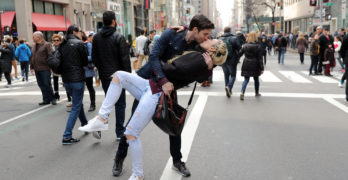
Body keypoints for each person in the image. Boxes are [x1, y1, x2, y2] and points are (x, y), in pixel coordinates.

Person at [80, 14, 215, 179]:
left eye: (208, 36)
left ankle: (177, 161)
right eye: (206, 34)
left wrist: (208, 68)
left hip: (169, 89)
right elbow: (153, 57)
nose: (207, 38)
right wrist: (163, 79)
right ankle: (119, 158)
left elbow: (198, 78)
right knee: (132, 124)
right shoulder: (171, 34)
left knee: (174, 126)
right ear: (195, 29)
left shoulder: (199, 47)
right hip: (149, 81)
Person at [91, 11, 131, 140]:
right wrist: (129, 77)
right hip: (118, 76)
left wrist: (102, 71)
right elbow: (124, 59)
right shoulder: (119, 36)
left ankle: (99, 125)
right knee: (120, 104)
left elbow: (95, 58)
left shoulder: (96, 37)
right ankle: (119, 132)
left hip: (105, 75)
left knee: (108, 102)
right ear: (113, 21)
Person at [60, 25, 89, 144]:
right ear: (74, 32)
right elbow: (85, 61)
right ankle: (67, 135)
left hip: (66, 79)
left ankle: (85, 125)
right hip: (77, 78)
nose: (81, 33)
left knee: (77, 103)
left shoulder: (62, 43)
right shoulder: (79, 44)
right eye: (79, 31)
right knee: (76, 106)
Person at [30, 31, 56, 105]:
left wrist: (51, 67)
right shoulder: (34, 45)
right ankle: (46, 99)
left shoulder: (47, 45)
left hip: (45, 68)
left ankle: (53, 98)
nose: (33, 38)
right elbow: (32, 57)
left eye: (33, 37)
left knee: (47, 84)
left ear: (38, 37)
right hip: (37, 68)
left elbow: (51, 56)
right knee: (41, 84)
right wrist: (31, 67)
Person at [239, 32, 264, 100]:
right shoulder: (258, 46)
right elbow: (260, 58)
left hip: (246, 63)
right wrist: (262, 68)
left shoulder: (245, 46)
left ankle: (242, 92)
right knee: (256, 79)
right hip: (255, 64)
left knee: (246, 79)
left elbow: (239, 54)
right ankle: (256, 92)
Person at [219, 26, 241, 97]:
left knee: (226, 75)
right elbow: (239, 47)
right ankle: (229, 87)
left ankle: (228, 91)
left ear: (224, 31)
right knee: (233, 75)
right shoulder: (233, 38)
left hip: (223, 59)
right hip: (232, 59)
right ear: (230, 31)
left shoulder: (220, 38)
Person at [81, 32, 96, 112]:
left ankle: (92, 104)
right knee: (79, 88)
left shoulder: (88, 45)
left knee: (90, 87)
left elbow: (92, 56)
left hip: (87, 69)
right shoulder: (78, 44)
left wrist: (82, 58)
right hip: (79, 70)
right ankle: (78, 105)